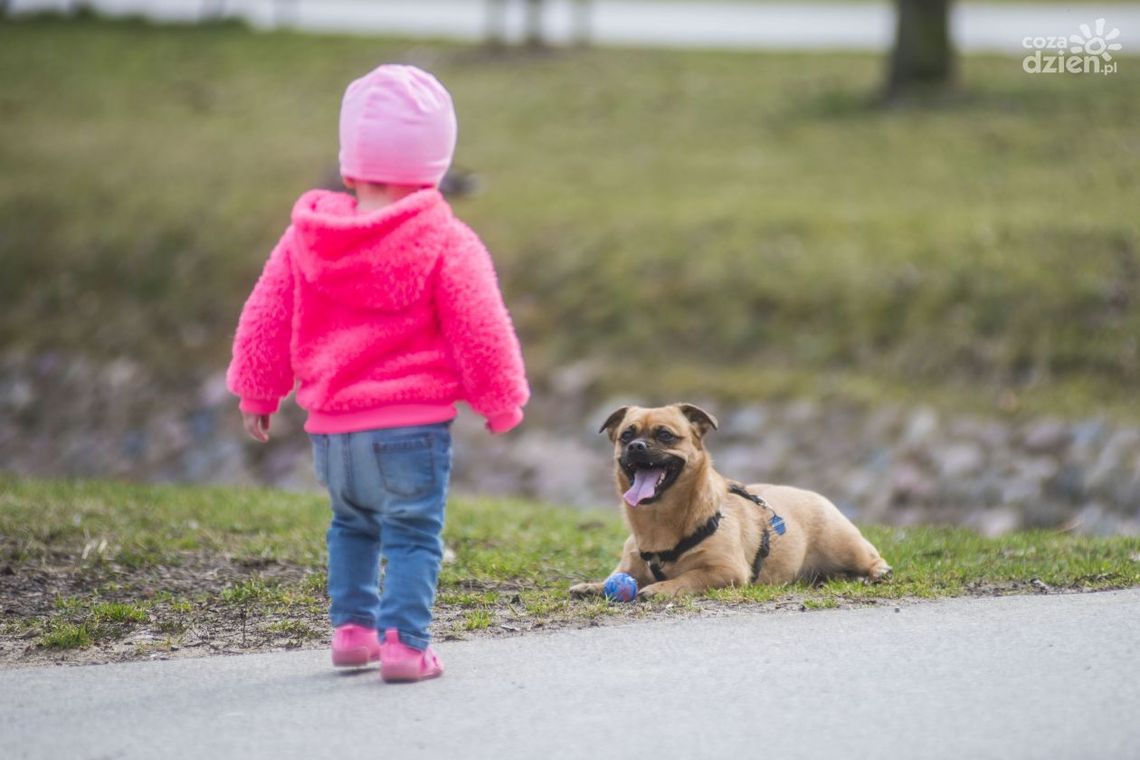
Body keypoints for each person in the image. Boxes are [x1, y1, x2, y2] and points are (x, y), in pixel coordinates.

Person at [226, 64, 529, 682]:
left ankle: (354, 632)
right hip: (409, 431)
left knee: (351, 525)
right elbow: (481, 324)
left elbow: (266, 313)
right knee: (414, 535)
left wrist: (258, 390)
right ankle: (405, 646)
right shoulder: (445, 237)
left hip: (332, 430)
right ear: (435, 167)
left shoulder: (306, 237)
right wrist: (500, 400)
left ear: (350, 165)